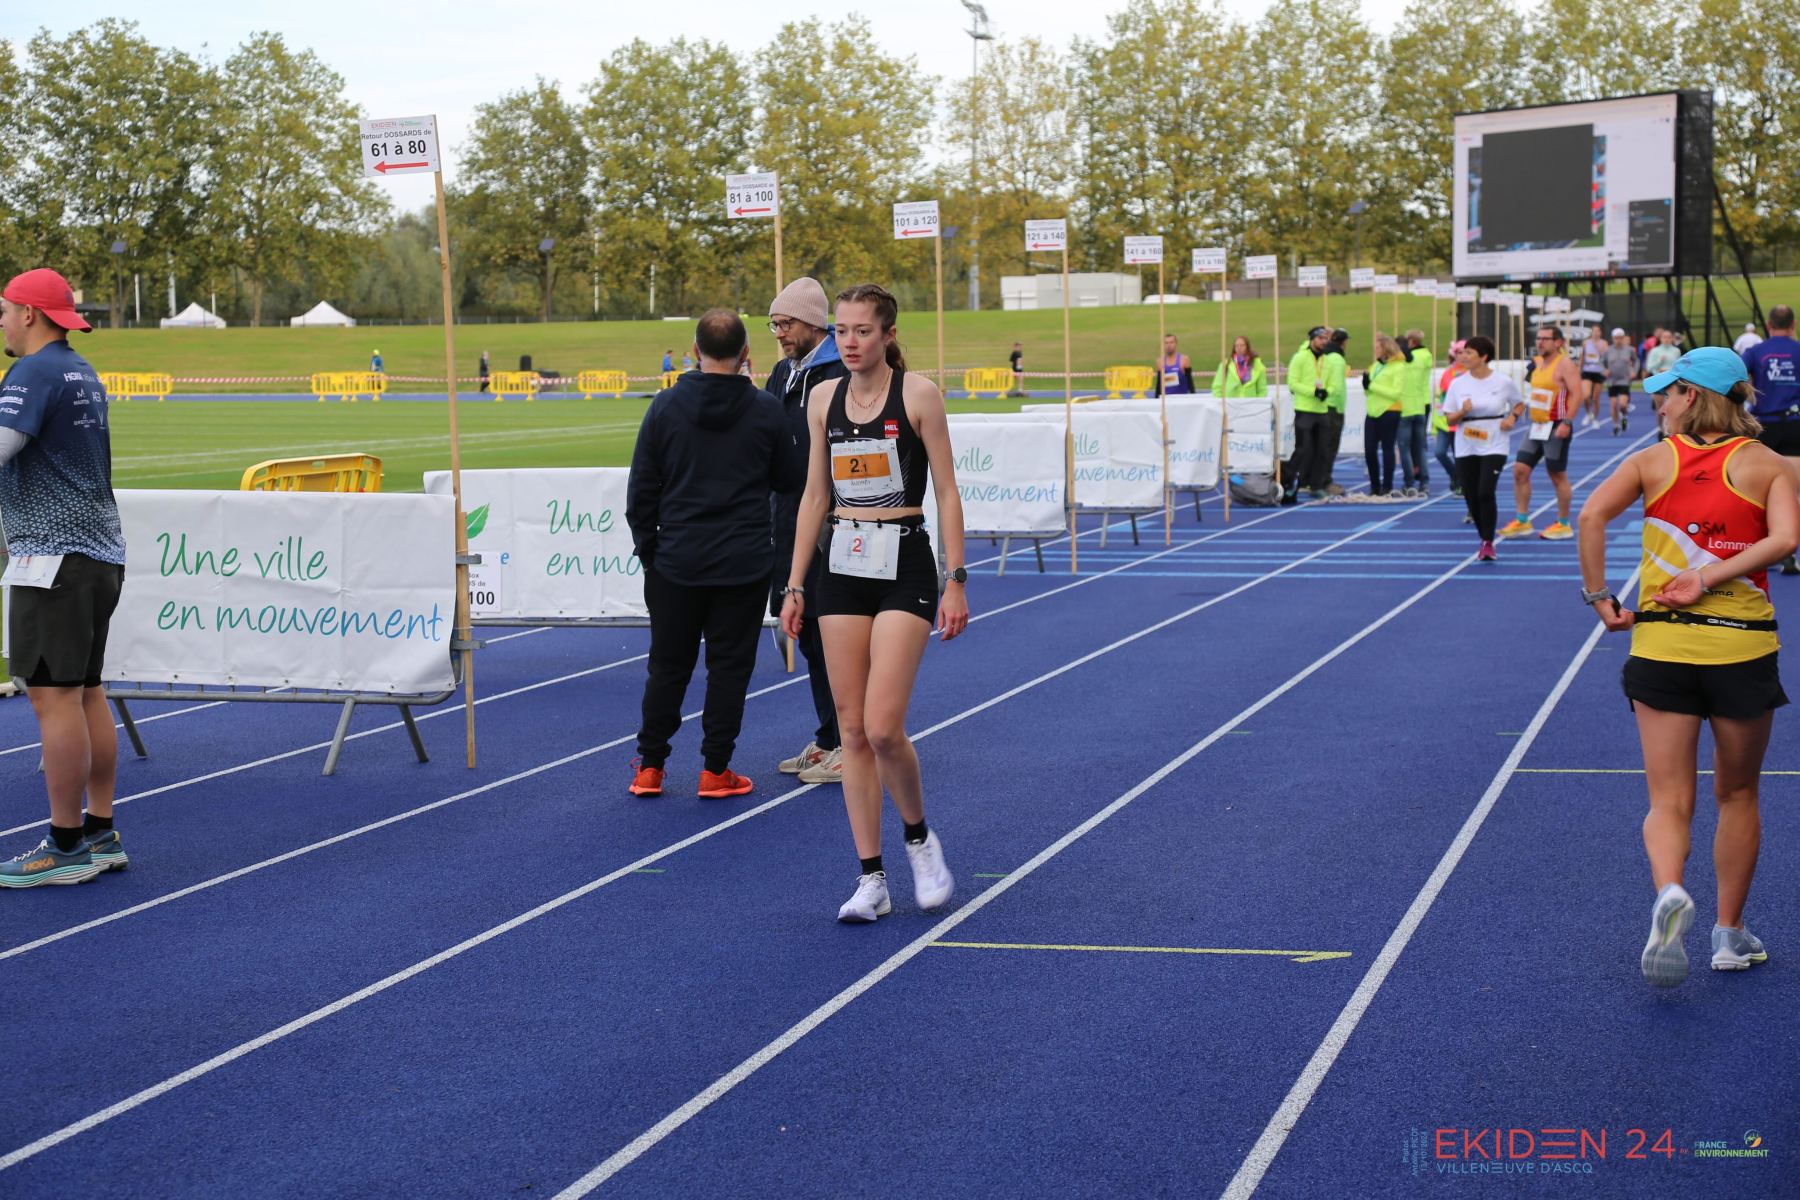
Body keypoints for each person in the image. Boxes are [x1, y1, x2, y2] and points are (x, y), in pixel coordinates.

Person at [1575, 346, 1798, 988]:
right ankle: (1729, 933)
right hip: (1742, 650)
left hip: (1662, 649)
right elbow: (1785, 539)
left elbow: (1591, 516)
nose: (1660, 403)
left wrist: (1600, 598)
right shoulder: (1767, 463)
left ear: (1693, 396)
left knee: (1669, 799)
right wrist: (1711, 576)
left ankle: (1671, 890)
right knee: (1738, 794)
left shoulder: (1652, 461)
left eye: (1668, 393)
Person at [780, 283, 969, 923]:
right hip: (842, 563)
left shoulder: (918, 395)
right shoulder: (822, 398)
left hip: (904, 560)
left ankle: (918, 839)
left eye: (863, 330)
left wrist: (956, 578)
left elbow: (947, 489)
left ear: (888, 334)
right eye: (841, 330)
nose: (850, 341)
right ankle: (871, 878)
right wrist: (795, 584)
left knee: (884, 727)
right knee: (852, 729)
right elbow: (814, 497)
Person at [624, 310, 802, 800]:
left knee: (667, 666)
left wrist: (651, 552)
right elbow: (790, 481)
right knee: (729, 668)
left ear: (694, 351)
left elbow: (641, 492)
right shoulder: (766, 410)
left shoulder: (664, 406)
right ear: (746, 353)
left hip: (676, 560)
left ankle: (650, 766)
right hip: (742, 562)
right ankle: (715, 769)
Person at [0, 269, 129, 887]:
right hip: (98, 555)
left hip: (52, 561)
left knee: (54, 698)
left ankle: (66, 844)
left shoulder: (31, 372)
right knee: (86, 692)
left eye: (4, 311)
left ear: (29, 313)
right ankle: (99, 833)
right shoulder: (81, 369)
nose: (1, 322)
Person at [765, 277, 850, 785]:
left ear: (813, 322)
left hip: (831, 524)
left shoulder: (839, 370)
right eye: (774, 324)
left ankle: (849, 742)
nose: (779, 333)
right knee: (811, 636)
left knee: (836, 636)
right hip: (787, 517)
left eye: (786, 323)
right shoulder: (782, 372)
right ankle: (829, 736)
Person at [1499, 324, 1581, 541]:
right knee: (1520, 471)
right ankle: (1522, 520)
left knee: (1557, 475)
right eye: (1538, 338)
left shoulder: (1565, 364)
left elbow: (1577, 394)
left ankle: (1563, 524)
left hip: (1556, 425)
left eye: (1545, 339)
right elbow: (1529, 391)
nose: (1540, 342)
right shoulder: (1535, 363)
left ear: (1558, 342)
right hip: (1536, 426)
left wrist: (1567, 422)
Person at [1445, 335, 1519, 562]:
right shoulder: (1458, 384)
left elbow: (1518, 403)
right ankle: (1483, 534)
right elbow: (1449, 419)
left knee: (1485, 491)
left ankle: (1487, 542)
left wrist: (1512, 418)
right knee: (1470, 494)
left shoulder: (1503, 382)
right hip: (1466, 442)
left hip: (1495, 441)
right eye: (1462, 352)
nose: (1463, 356)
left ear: (1484, 357)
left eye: (1469, 353)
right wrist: (1462, 411)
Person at [1742, 304, 1800, 575]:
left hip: (1764, 425)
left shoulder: (1756, 352)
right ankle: (1788, 550)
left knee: (1759, 490)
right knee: (1793, 490)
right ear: (1793, 325)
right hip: (1795, 423)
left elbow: (1737, 379)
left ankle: (1758, 549)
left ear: (1768, 325)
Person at [1283, 326, 1340, 503]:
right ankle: (1287, 481)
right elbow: (1293, 383)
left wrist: (1327, 392)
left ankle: (1316, 485)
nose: (1323, 342)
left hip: (1322, 411)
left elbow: (1334, 384)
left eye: (1325, 339)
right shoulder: (1300, 358)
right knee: (1303, 450)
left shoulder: (1328, 361)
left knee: (1322, 451)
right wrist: (1313, 391)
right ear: (1312, 339)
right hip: (1304, 410)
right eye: (1320, 338)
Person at [1361, 333, 1407, 499]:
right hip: (1372, 412)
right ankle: (1374, 486)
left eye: (1377, 348)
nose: (1375, 350)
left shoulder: (1399, 367)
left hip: (1390, 411)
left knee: (1387, 449)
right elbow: (1369, 392)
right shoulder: (1375, 366)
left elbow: (1396, 393)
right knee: (1369, 450)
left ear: (1386, 349)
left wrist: (1372, 386)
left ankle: (1387, 486)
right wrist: (1366, 386)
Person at [1397, 328, 1434, 497]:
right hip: (1423, 403)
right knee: (1420, 446)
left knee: (1406, 447)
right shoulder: (1426, 355)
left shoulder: (1405, 360)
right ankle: (1424, 481)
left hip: (1408, 406)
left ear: (1411, 342)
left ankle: (1409, 481)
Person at [1431, 339, 1467, 498]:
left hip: (1461, 423)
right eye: (1458, 352)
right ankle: (1454, 477)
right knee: (1439, 453)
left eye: (1465, 352)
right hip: (1444, 423)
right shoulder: (1447, 374)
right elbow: (1441, 399)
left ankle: (1461, 484)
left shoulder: (1471, 372)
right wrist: (1436, 424)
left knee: (1460, 456)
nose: (1462, 356)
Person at [1321, 329, 1352, 493]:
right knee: (1330, 447)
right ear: (1344, 343)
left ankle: (1314, 480)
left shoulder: (1323, 356)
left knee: (1321, 446)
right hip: (1334, 407)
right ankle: (1325, 481)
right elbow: (1338, 387)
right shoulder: (1338, 360)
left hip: (1321, 406)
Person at [1603, 327, 1640, 435]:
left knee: (1623, 404)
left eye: (1620, 338)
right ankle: (1616, 426)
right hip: (1612, 381)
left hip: (1624, 380)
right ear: (1613, 338)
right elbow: (1601, 363)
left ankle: (1624, 416)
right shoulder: (1608, 350)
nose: (1618, 340)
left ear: (1623, 338)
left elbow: (1636, 361)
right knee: (1614, 405)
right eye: (1616, 338)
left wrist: (1634, 371)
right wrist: (1604, 370)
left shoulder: (1629, 350)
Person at [1578, 326, 1606, 427]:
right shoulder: (1586, 343)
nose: (1596, 333)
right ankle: (1588, 413)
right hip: (1587, 370)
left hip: (1599, 371)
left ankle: (1595, 419)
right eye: (1594, 331)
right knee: (1586, 396)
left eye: (1598, 331)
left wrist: (1597, 346)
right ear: (1591, 332)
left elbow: (1605, 356)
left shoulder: (1604, 343)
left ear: (1600, 333)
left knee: (1595, 399)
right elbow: (1582, 356)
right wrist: (1579, 368)